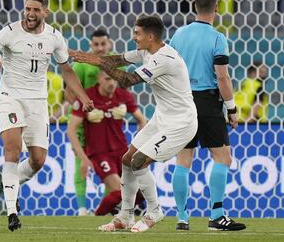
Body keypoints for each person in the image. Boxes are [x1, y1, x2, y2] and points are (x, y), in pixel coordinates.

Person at [0, 0, 93, 232]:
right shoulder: (9, 32)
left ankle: (12, 185)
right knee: (12, 150)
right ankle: (11, 211)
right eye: (27, 8)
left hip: (38, 102)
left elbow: (67, 70)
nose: (30, 13)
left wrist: (83, 96)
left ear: (45, 12)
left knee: (38, 160)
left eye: (36, 10)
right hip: (10, 98)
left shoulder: (54, 37)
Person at [70, 15, 198, 233]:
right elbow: (116, 60)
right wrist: (92, 58)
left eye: (137, 33)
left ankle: (154, 210)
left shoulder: (164, 58)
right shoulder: (145, 52)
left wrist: (99, 62)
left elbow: (128, 81)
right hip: (162, 117)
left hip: (181, 122)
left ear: (150, 36)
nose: (133, 36)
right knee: (127, 160)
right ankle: (125, 215)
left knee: (139, 161)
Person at [169, 0, 246, 231]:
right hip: (207, 101)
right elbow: (222, 78)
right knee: (222, 156)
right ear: (217, 8)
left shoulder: (178, 35)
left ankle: (182, 217)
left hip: (182, 101)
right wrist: (232, 109)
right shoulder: (217, 37)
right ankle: (217, 215)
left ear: (194, 6)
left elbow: (168, 70)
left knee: (183, 159)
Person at [68, 70, 147, 216]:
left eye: (114, 80)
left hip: (123, 152)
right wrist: (83, 159)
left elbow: (142, 120)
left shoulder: (123, 95)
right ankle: (97, 217)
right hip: (99, 154)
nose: (112, 83)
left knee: (141, 190)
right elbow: (71, 130)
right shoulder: (87, 97)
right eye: (108, 79)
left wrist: (138, 147)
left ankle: (124, 211)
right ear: (99, 78)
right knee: (120, 190)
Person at [65, 29, 116, 216]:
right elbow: (69, 93)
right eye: (96, 44)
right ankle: (82, 209)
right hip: (85, 121)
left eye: (103, 44)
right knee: (81, 160)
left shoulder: (116, 64)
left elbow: (121, 93)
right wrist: (84, 111)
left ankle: (106, 206)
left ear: (110, 44)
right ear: (90, 45)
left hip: (106, 123)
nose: (100, 48)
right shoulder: (81, 66)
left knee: (111, 163)